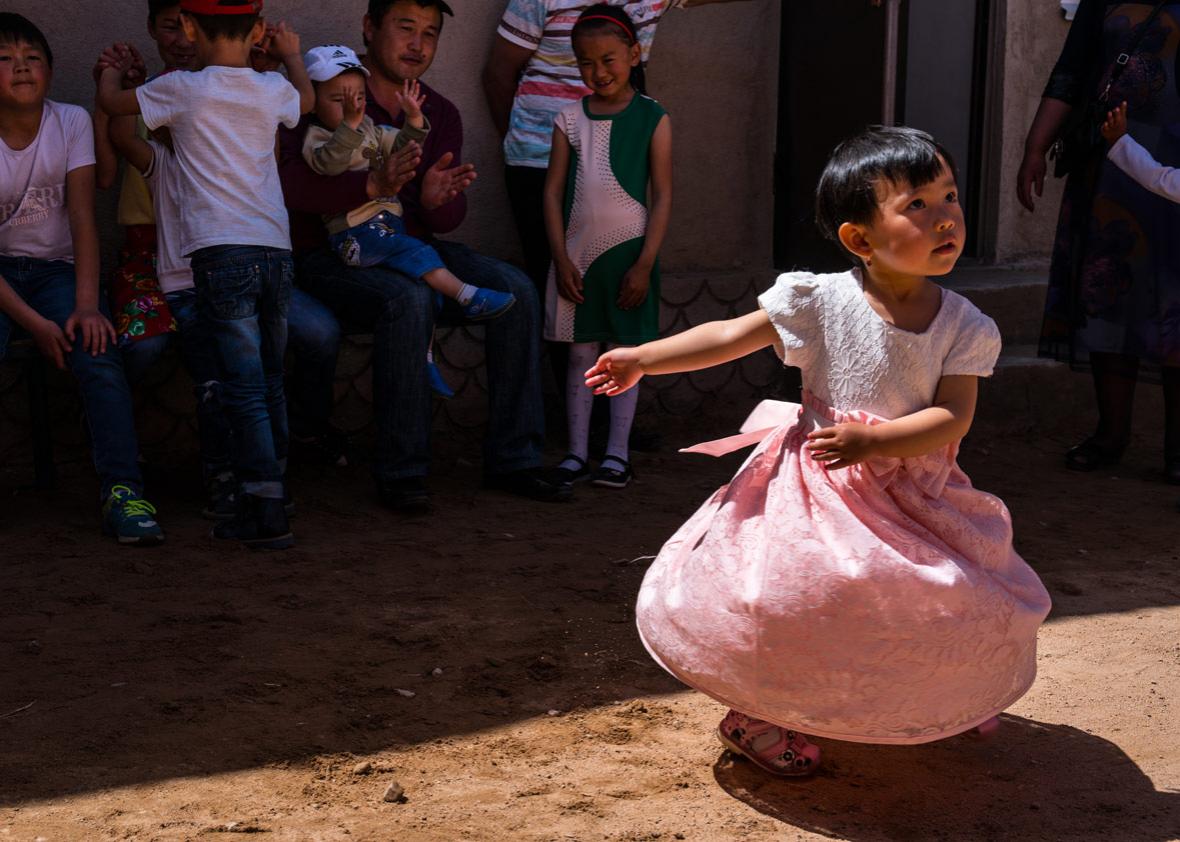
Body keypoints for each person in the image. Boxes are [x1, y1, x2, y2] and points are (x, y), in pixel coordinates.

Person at [588, 127, 1052, 776]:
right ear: (860, 240)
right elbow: (730, 335)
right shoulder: (817, 301)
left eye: (949, 196)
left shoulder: (965, 326)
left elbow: (953, 417)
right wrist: (644, 358)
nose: (945, 216)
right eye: (916, 205)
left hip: (917, 495)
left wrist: (877, 439)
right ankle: (757, 717)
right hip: (817, 492)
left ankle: (951, 694)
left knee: (951, 594)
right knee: (795, 601)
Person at [280, 0, 567, 511]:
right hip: (334, 255)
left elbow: (443, 222)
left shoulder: (437, 111)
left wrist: (436, 201)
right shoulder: (330, 93)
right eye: (405, 28)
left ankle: (515, 458)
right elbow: (293, 189)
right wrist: (368, 184)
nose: (417, 44)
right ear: (370, 29)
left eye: (429, 34)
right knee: (408, 298)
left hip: (411, 245)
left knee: (518, 291)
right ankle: (403, 472)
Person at [97, 0, 315, 549]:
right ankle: (275, 491)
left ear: (190, 28)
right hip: (276, 252)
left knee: (238, 386)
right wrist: (290, 57)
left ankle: (263, 506)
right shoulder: (268, 91)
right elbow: (307, 101)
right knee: (268, 379)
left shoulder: (184, 89)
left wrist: (110, 76)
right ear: (259, 29)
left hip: (221, 258)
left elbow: (112, 109)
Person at [0, 13, 165, 545]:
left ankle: (124, 490)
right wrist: (33, 323)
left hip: (58, 271)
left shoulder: (69, 121)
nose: (21, 67)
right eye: (4, 59)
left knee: (99, 351)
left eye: (32, 58)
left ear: (49, 70)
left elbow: (82, 219)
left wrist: (87, 306)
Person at [1018, 0, 1180, 483]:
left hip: (1175, 168)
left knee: (1176, 303)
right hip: (1109, 162)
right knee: (1108, 295)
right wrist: (1035, 148)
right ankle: (1111, 434)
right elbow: (1071, 71)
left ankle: (1179, 449)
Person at [300, 44, 516, 398]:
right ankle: (468, 295)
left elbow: (399, 144)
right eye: (339, 100)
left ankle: (425, 360)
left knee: (424, 291)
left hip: (384, 230)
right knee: (413, 251)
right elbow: (331, 163)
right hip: (353, 238)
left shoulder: (369, 128)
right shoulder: (318, 137)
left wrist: (413, 119)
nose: (352, 108)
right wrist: (352, 127)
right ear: (312, 101)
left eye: (357, 99)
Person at [545, 7, 671, 489]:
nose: (598, 72)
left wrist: (645, 263)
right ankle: (577, 453)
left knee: (624, 354)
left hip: (629, 260)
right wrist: (559, 258)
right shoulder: (568, 118)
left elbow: (663, 195)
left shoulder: (654, 118)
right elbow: (553, 191)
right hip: (576, 258)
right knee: (579, 354)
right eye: (585, 62)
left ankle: (617, 454)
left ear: (634, 55)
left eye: (609, 60)